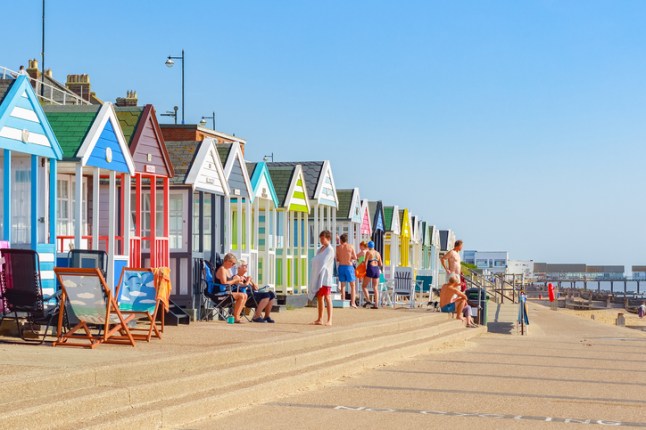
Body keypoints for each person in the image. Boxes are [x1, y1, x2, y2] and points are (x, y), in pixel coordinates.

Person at [308, 230, 335, 326]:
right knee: (320, 297)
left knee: (327, 297)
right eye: (321, 238)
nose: (321, 240)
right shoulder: (320, 249)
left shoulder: (330, 250)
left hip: (326, 277)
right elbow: (316, 260)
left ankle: (329, 320)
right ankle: (320, 319)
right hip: (319, 277)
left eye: (323, 238)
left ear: (328, 238)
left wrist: (315, 261)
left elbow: (322, 262)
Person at [236, 259, 276, 323]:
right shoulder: (236, 277)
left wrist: (252, 282)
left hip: (252, 294)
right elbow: (243, 286)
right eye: (245, 266)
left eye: (247, 265)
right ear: (239, 267)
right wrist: (248, 280)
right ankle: (256, 317)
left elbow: (256, 288)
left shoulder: (245, 277)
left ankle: (266, 316)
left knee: (271, 294)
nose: (246, 267)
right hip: (245, 296)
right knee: (266, 295)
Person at [215, 253, 248, 324]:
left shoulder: (227, 270)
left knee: (245, 295)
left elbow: (230, 281)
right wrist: (235, 280)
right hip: (220, 294)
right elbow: (224, 283)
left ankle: (237, 316)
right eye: (233, 263)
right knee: (241, 295)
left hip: (227, 292)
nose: (233, 265)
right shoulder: (222, 269)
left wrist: (237, 279)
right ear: (227, 261)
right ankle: (236, 317)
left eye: (234, 264)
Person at [336, 233, 358, 308]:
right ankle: (353, 302)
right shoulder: (351, 246)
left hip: (341, 266)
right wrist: (349, 257)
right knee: (352, 285)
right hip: (349, 266)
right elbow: (355, 257)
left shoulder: (338, 248)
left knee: (343, 285)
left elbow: (337, 258)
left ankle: (343, 300)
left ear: (341, 240)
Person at [362, 241, 383, 309]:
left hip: (370, 268)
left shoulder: (368, 252)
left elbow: (365, 263)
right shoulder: (378, 253)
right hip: (376, 269)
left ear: (368, 246)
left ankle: (368, 300)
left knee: (364, 286)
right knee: (375, 287)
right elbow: (381, 264)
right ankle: (376, 304)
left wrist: (364, 271)